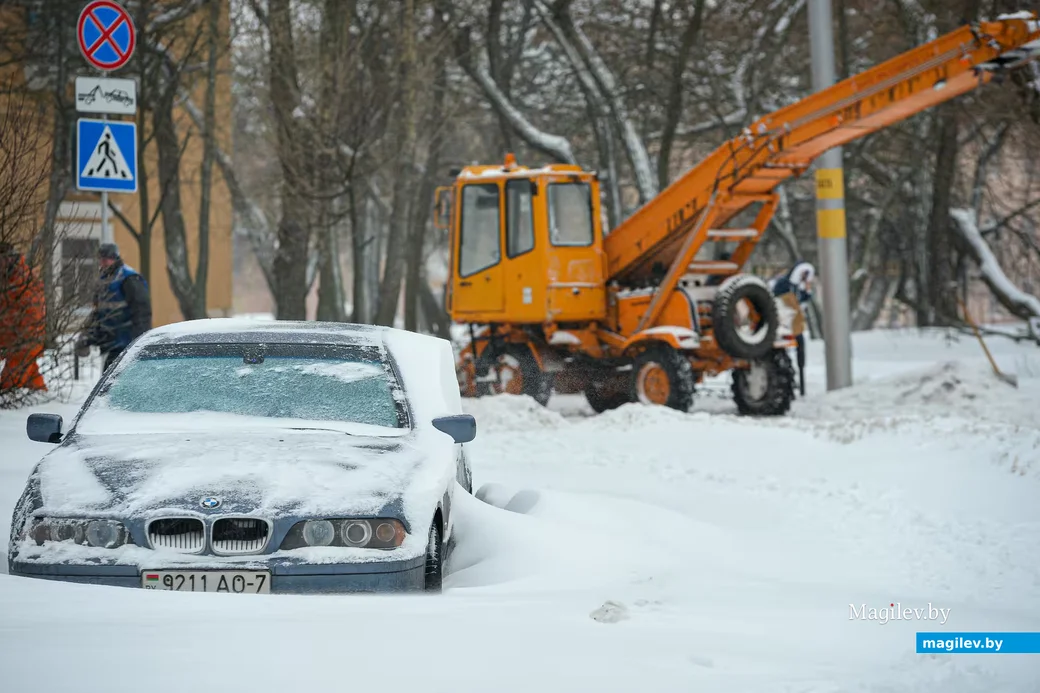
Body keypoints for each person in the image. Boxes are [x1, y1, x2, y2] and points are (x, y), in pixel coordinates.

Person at [76, 242, 152, 373]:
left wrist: (139, 341)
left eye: (107, 259)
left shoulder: (129, 278)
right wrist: (87, 336)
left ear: (115, 258)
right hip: (113, 343)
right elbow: (100, 314)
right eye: (101, 259)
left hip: (127, 343)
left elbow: (142, 312)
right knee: (110, 378)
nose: (103, 262)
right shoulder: (104, 281)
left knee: (112, 380)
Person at [0, 243, 47, 392]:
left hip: (23, 343)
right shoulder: (10, 279)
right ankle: (42, 397)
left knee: (9, 386)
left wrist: (21, 342)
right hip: (19, 342)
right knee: (32, 381)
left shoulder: (22, 280)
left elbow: (32, 315)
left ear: (8, 259)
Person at [770, 261, 815, 397]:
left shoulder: (797, 287)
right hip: (785, 323)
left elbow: (803, 299)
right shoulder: (784, 284)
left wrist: (807, 289)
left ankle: (800, 384)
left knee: (800, 348)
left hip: (795, 323)